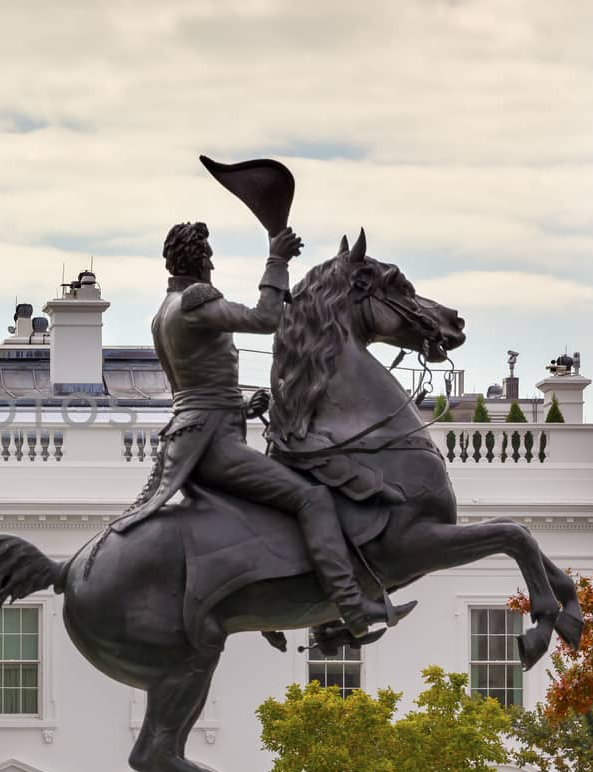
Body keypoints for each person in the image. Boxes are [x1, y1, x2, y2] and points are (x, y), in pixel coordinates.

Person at [110, 220, 403, 638]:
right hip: (213, 446)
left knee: (279, 497)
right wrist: (276, 259)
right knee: (312, 498)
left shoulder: (163, 312)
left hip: (198, 434)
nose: (212, 264)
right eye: (209, 256)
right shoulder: (194, 301)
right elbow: (266, 318)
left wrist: (242, 407)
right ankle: (351, 608)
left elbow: (196, 390)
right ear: (202, 260)